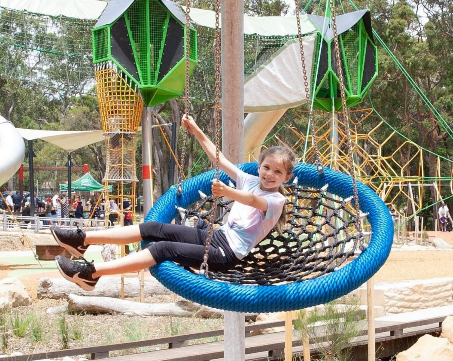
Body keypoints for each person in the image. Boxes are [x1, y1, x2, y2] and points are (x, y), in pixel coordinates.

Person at [52, 114, 296, 291]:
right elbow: (219, 160)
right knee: (152, 229)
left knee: (161, 249)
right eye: (266, 167)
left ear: (287, 177)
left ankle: (91, 274)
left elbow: (254, 201)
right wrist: (196, 130)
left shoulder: (277, 199)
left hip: (226, 253)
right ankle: (82, 240)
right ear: (259, 166)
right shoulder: (249, 179)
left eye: (277, 172)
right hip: (217, 237)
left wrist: (228, 192)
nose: (269, 175)